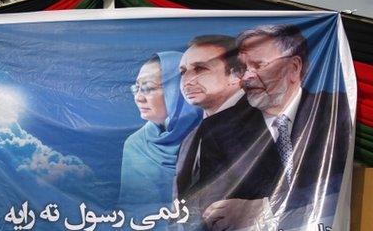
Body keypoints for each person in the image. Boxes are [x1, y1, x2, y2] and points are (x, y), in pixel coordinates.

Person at [201, 25, 352, 230]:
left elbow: (344, 183)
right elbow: (215, 210)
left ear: (294, 67)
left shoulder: (337, 112)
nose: (246, 77)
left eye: (257, 65)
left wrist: (265, 209)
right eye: (243, 68)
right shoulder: (217, 130)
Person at [174, 35, 260, 224]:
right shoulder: (189, 138)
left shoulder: (268, 120)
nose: (187, 81)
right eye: (183, 72)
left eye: (200, 69)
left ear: (236, 74)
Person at [119, 52, 202, 208]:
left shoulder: (211, 133)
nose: (138, 97)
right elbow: (132, 210)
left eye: (148, 88)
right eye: (136, 88)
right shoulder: (136, 144)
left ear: (178, 90)